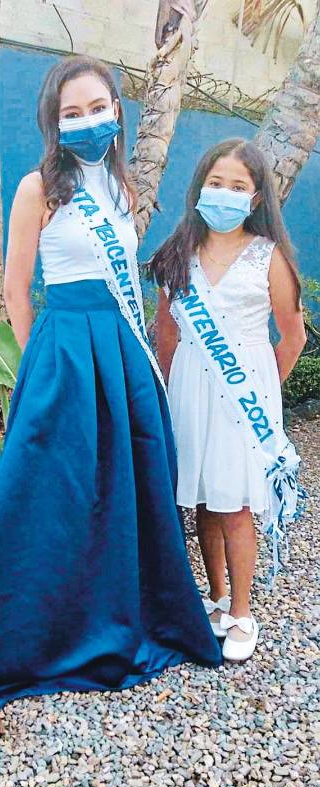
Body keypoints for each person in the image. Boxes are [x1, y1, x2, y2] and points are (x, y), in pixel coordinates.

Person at [0, 56, 221, 726]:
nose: (88, 122)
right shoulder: (39, 188)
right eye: (72, 113)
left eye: (98, 108)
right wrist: (43, 363)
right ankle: (17, 635)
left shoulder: (119, 183)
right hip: (65, 348)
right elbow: (14, 288)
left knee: (125, 482)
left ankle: (122, 612)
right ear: (53, 123)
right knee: (46, 489)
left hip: (118, 346)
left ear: (117, 111)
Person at [149, 138, 306, 663]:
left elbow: (292, 337)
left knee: (234, 504)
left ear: (256, 198)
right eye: (216, 183)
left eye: (238, 186)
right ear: (200, 188)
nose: (225, 193)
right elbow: (166, 333)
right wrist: (174, 385)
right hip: (190, 388)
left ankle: (242, 611)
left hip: (245, 396)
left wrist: (261, 392)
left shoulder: (269, 257)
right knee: (203, 499)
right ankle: (216, 600)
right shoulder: (177, 255)